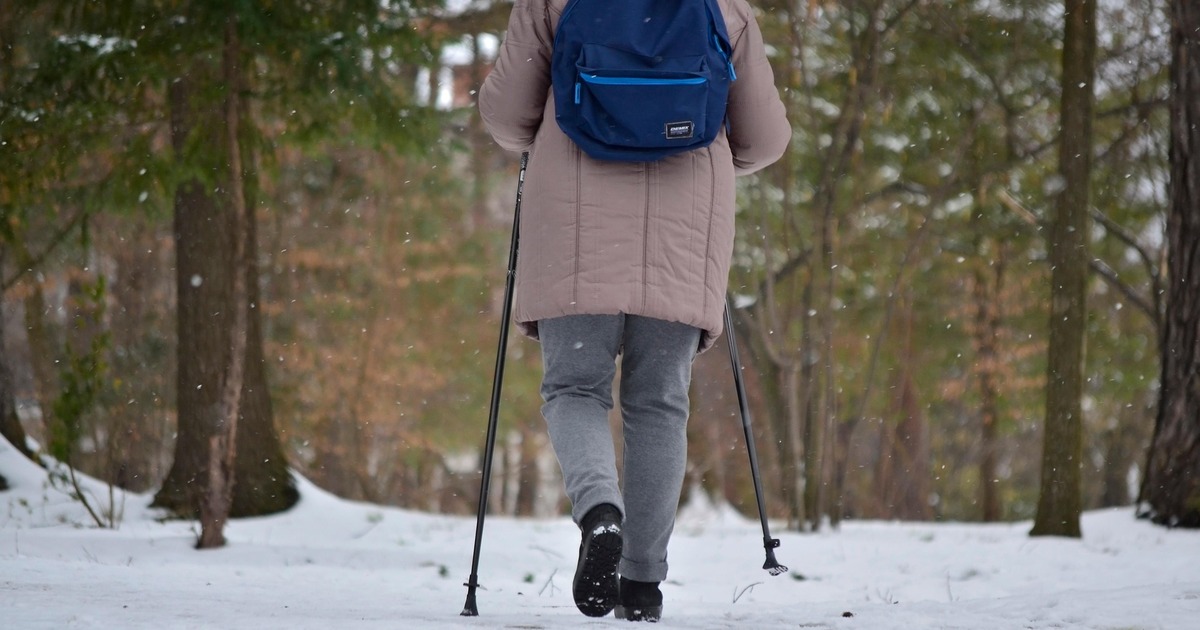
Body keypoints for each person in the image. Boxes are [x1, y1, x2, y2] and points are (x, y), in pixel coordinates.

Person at [478, 0, 789, 621]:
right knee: (659, 405)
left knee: (574, 388)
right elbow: (764, 139)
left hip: (574, 220)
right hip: (685, 223)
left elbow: (508, 117)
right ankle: (642, 583)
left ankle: (600, 513)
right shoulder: (725, 8)